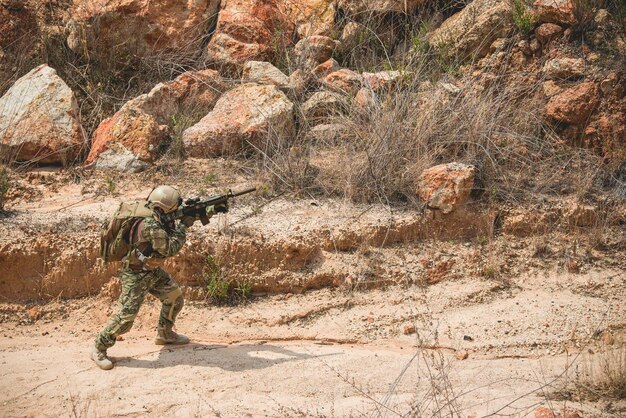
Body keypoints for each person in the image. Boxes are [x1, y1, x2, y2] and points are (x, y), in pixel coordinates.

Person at [91, 185, 227, 370]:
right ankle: (99, 347)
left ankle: (165, 334)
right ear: (165, 208)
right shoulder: (150, 225)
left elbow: (185, 213)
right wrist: (184, 226)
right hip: (135, 274)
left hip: (151, 270)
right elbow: (170, 248)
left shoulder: (159, 214)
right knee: (126, 318)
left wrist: (211, 209)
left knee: (174, 298)